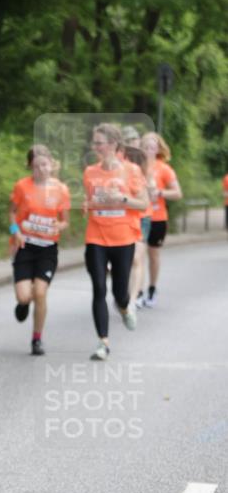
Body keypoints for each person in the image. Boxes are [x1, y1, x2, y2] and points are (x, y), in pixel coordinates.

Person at [83, 124, 148, 361]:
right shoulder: (90, 172)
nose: (95, 147)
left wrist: (121, 198)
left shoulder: (131, 171)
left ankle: (124, 307)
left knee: (119, 292)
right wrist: (87, 204)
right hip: (96, 236)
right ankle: (103, 342)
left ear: (112, 145)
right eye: (94, 142)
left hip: (123, 238)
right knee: (99, 288)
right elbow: (90, 199)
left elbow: (143, 204)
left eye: (99, 142)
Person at [9, 145, 71, 355]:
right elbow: (11, 213)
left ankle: (37, 339)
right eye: (36, 166)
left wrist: (57, 227)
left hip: (47, 249)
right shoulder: (21, 186)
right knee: (25, 296)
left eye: (44, 165)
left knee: (41, 292)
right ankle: (23, 304)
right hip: (25, 247)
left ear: (51, 165)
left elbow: (65, 222)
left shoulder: (61, 189)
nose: (41, 170)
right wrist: (15, 231)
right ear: (30, 167)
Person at [140, 132, 183, 306]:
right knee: (137, 255)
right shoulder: (135, 167)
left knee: (153, 254)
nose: (148, 150)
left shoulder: (164, 169)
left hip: (157, 218)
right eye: (145, 146)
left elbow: (178, 193)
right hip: (140, 217)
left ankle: (151, 288)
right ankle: (137, 291)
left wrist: (159, 192)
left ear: (158, 149)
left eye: (152, 147)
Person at [123, 145, 154, 309]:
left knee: (136, 258)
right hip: (125, 219)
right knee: (127, 259)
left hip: (143, 219)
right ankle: (126, 293)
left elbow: (147, 199)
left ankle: (134, 297)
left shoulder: (141, 177)